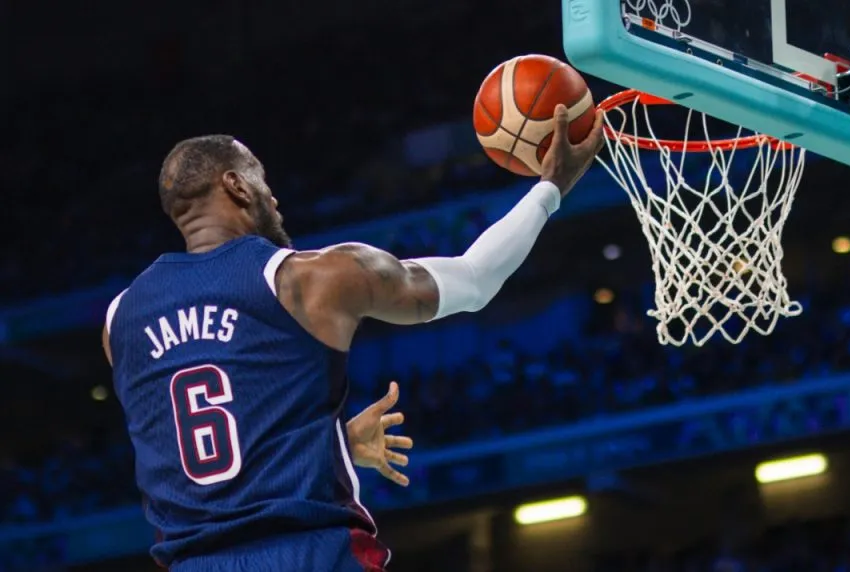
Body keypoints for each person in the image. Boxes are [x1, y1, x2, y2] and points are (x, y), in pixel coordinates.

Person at [101, 104, 605, 571]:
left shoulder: (119, 321)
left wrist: (330, 443)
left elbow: (199, 439)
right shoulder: (310, 278)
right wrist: (550, 188)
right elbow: (474, 279)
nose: (273, 198)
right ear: (235, 185)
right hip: (311, 553)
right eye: (262, 179)